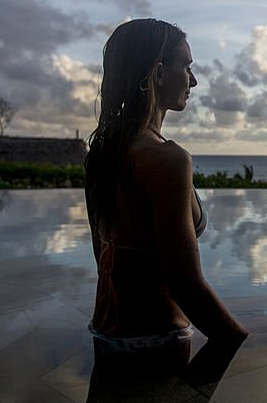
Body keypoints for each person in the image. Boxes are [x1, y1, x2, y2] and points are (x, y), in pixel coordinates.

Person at [85, 18, 248, 359]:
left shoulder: (103, 151)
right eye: (186, 67)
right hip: (159, 342)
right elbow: (185, 285)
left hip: (107, 334)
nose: (194, 80)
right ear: (158, 73)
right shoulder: (167, 159)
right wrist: (243, 344)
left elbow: (102, 256)